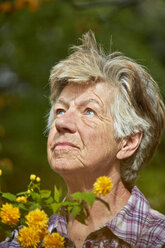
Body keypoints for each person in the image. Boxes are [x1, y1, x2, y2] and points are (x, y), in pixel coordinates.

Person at [1, 31, 165, 247]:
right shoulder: (22, 241)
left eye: (89, 111)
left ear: (128, 142)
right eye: (60, 110)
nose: (61, 123)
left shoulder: (157, 240)